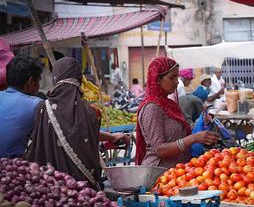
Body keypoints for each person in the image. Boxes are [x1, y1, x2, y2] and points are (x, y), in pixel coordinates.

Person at [25, 57, 129, 189]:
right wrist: (112, 137)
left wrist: (112, 137)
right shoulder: (91, 112)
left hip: (50, 187)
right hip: (83, 190)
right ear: (80, 79)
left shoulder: (43, 108)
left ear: (55, 78)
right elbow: (85, 134)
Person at [135, 57, 218, 168]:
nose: (176, 82)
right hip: (160, 173)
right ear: (158, 80)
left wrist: (200, 123)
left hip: (178, 172)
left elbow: (177, 132)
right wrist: (193, 139)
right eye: (172, 77)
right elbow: (158, 149)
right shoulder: (152, 108)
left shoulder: (169, 104)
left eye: (177, 77)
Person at [0, 56, 43, 158]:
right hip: (11, 167)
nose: (38, 86)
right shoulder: (37, 105)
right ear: (31, 81)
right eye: (38, 80)